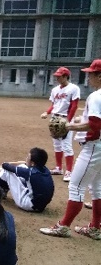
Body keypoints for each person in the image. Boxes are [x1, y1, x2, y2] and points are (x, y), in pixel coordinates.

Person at [40, 59, 101, 240]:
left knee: (76, 186)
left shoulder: (96, 96)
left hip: (94, 147)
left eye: (91, 73)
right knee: (97, 189)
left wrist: (69, 126)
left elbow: (95, 125)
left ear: (99, 75)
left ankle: (63, 226)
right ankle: (95, 228)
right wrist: (76, 122)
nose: (88, 76)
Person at [40, 67, 81, 182]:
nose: (57, 78)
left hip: (65, 119)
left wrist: (68, 120)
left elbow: (74, 105)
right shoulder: (55, 90)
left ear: (65, 76)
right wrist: (47, 112)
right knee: (57, 145)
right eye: (56, 76)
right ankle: (59, 168)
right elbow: (54, 105)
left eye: (59, 76)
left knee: (67, 146)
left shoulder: (74, 88)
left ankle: (69, 171)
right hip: (54, 119)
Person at [0, 147, 54, 212]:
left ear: (33, 163)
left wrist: (7, 163)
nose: (26, 159)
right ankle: (2, 190)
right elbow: (24, 164)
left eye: (28, 158)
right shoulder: (46, 170)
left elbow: (5, 166)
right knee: (22, 166)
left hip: (29, 204)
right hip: (41, 205)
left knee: (6, 171)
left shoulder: (29, 172)